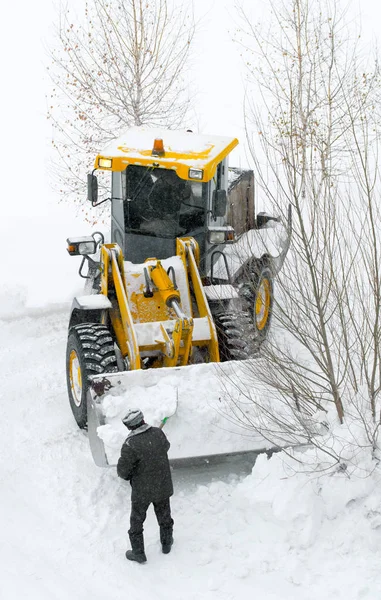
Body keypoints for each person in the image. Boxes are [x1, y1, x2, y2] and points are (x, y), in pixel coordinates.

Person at [117, 408, 174, 564]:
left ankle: (138, 553)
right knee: (164, 516)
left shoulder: (130, 444)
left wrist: (132, 472)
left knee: (137, 522)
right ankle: (166, 543)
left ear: (129, 426)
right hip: (162, 483)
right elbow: (166, 447)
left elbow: (123, 471)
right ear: (142, 420)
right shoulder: (158, 433)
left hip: (142, 491)